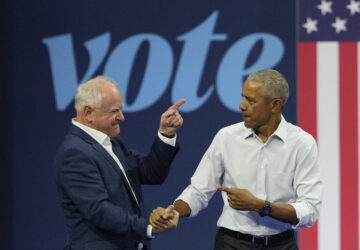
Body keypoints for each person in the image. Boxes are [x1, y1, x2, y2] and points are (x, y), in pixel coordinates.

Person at [150, 69, 322, 250]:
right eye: (243, 97)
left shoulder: (302, 143)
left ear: (275, 105)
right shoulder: (226, 137)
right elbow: (198, 191)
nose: (241, 105)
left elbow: (309, 210)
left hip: (282, 245)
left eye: (251, 100)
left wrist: (261, 206)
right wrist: (175, 211)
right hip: (232, 244)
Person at [54, 75, 184, 250]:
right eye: (114, 111)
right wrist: (149, 227)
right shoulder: (74, 152)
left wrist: (166, 134)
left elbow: (151, 173)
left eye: (121, 110)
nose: (121, 117)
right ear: (88, 113)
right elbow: (98, 209)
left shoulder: (112, 142)